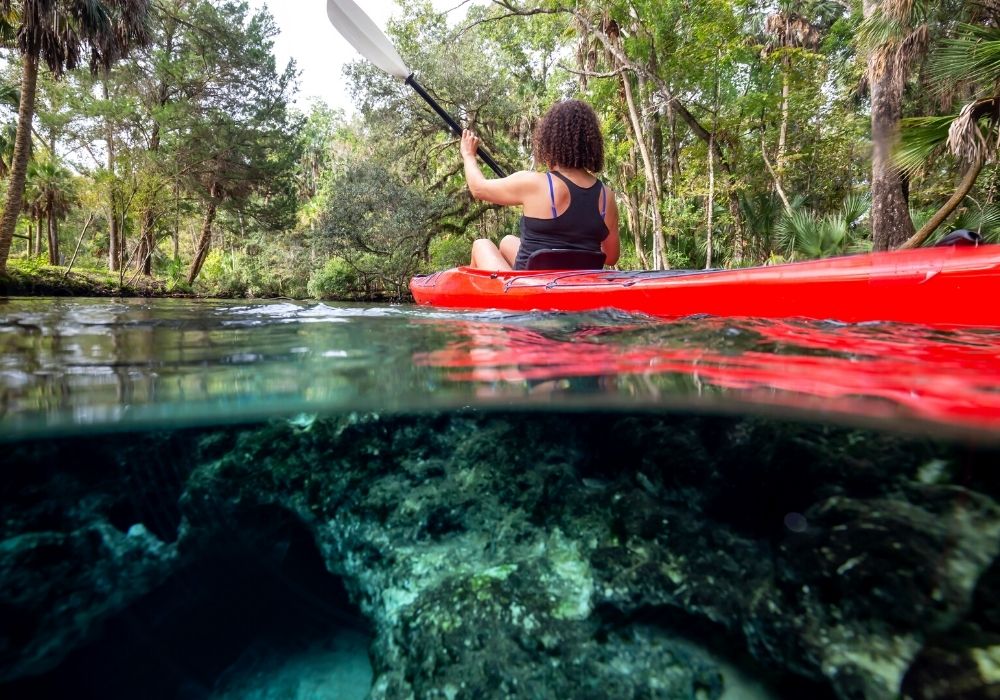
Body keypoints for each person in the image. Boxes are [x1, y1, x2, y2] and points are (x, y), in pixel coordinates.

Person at [462, 99, 620, 271]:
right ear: (591, 144)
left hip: (528, 291)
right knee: (507, 241)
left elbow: (478, 188)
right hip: (575, 286)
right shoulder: (606, 196)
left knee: (481, 245)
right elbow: (611, 257)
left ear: (550, 142)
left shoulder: (534, 183)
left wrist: (469, 155)